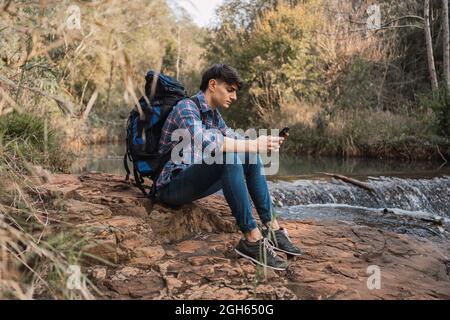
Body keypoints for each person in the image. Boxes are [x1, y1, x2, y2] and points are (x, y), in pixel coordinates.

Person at [155, 64, 301, 270]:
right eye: (230, 90)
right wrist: (252, 145)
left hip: (193, 182)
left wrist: (261, 142)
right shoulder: (185, 108)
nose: (234, 97)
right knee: (229, 156)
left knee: (248, 155)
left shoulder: (214, 115)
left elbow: (235, 138)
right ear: (213, 85)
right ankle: (251, 239)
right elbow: (204, 141)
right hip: (170, 188)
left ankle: (272, 229)